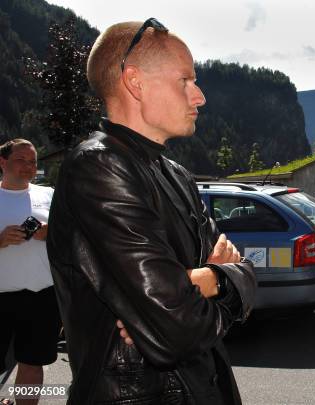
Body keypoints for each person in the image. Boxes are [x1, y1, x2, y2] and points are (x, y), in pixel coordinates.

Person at [46, 18, 256, 404]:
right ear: (135, 81)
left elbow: (245, 277)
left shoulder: (175, 173)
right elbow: (179, 328)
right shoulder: (98, 167)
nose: (200, 97)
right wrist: (215, 281)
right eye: (186, 81)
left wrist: (205, 281)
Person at [0, 139, 61, 405]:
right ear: (2, 162)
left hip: (42, 297)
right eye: (21, 160)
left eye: (33, 161)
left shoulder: (48, 195)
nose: (28, 167)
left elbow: (70, 238)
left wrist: (51, 234)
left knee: (33, 365)